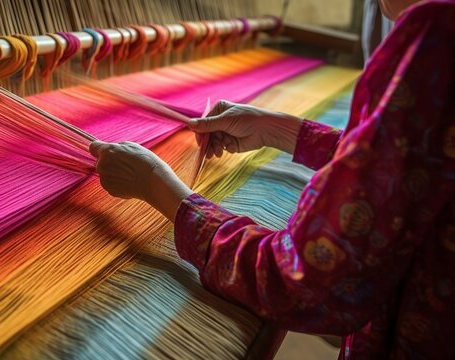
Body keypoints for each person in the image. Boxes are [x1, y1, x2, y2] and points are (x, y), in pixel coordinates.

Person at [89, 0, 455, 358]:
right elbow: (413, 170)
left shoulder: (438, 34)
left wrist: (157, 185)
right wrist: (281, 130)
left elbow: (305, 286)